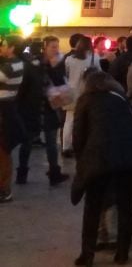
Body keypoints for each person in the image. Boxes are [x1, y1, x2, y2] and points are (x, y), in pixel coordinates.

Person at [71, 69, 132, 266]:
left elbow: (78, 136)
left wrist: (82, 162)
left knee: (93, 207)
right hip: (128, 159)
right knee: (126, 206)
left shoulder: (85, 101)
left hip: (99, 159)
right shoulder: (120, 99)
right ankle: (122, 252)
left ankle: (87, 255)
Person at [16, 35, 68, 187]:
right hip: (32, 108)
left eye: (57, 47)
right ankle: (22, 173)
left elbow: (60, 82)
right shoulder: (32, 64)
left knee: (51, 142)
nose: (56, 50)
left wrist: (54, 68)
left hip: (49, 107)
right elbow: (24, 87)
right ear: (44, 48)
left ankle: (54, 173)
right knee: (27, 142)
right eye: (53, 47)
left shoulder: (57, 64)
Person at [63, 35, 101, 156]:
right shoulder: (94, 58)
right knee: (86, 120)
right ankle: (82, 145)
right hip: (87, 92)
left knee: (69, 121)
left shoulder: (69, 59)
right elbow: (99, 74)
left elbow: (66, 75)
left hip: (71, 93)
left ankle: (66, 147)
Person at [0, 34, 27, 203]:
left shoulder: (10, 66)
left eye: (3, 45)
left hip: (3, 112)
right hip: (8, 109)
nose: (1, 47)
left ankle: (4, 189)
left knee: (2, 152)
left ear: (11, 48)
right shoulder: (17, 63)